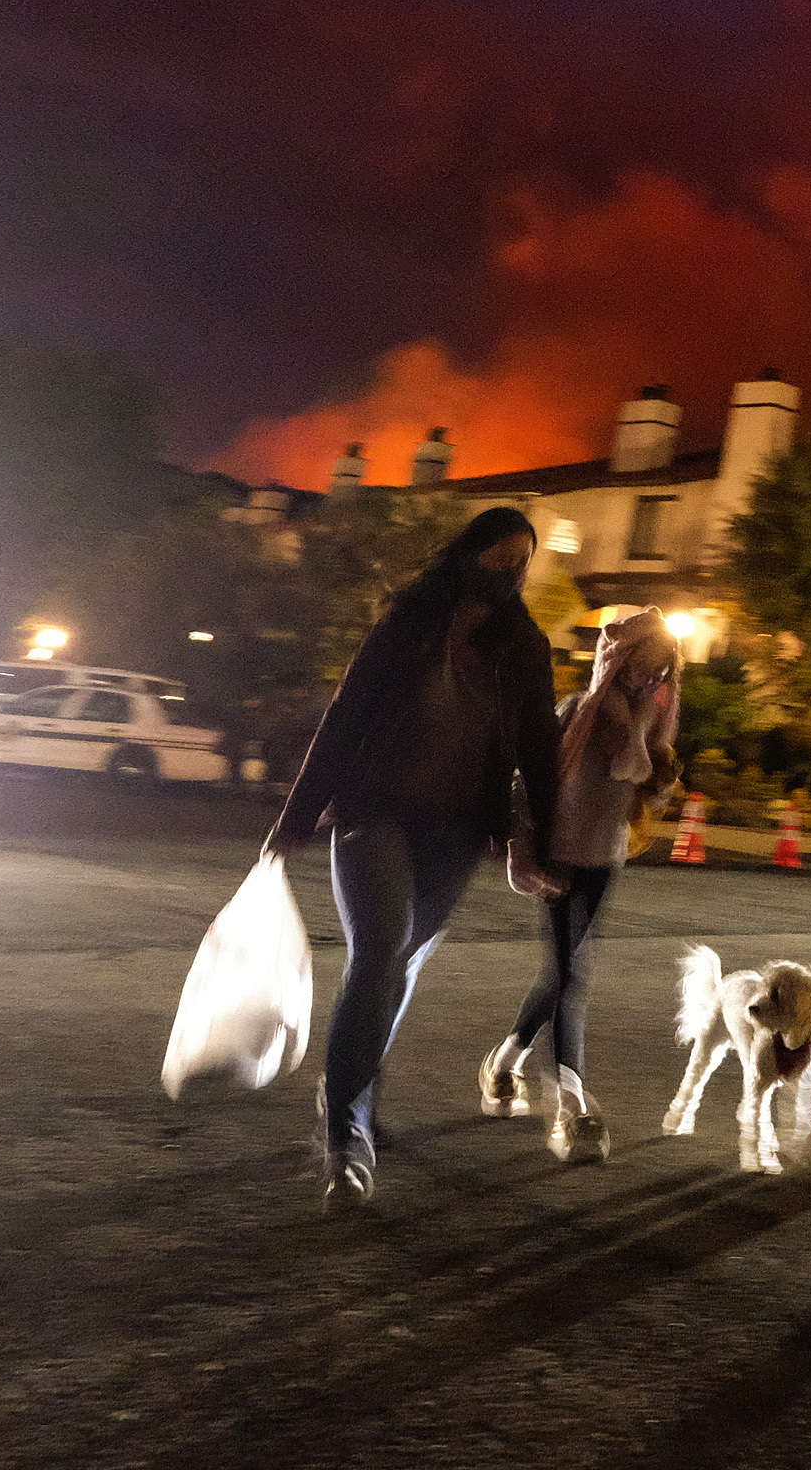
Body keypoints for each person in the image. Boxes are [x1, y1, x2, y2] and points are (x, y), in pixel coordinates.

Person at [265, 507, 562, 1209]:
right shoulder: (408, 621)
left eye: (521, 562)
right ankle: (345, 1135)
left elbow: (542, 750)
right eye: (497, 558)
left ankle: (351, 1086)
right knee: (377, 951)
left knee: (397, 966)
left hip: (456, 831)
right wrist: (298, 814)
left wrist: (547, 841)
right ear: (467, 553)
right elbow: (346, 712)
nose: (508, 573)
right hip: (374, 811)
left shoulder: (523, 646)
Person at [482, 608, 681, 1164]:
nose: (650, 681)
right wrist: (530, 855)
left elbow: (643, 796)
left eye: (661, 672)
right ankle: (571, 1102)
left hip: (603, 858)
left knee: (562, 973)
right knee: (573, 975)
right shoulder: (580, 711)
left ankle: (503, 1064)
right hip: (559, 856)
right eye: (643, 667)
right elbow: (535, 779)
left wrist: (660, 778)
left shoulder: (650, 727)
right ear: (617, 661)